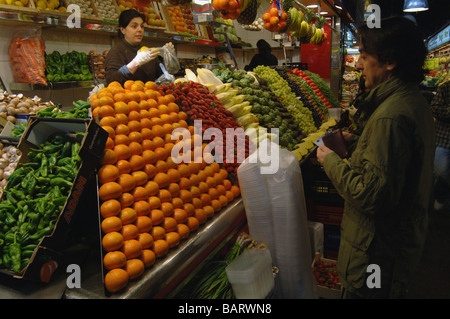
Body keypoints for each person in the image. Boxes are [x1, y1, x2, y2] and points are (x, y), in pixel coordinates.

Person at [316, 16, 436, 299]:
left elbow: (370, 196)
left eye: (365, 56)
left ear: (390, 62)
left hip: (376, 256)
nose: (358, 64)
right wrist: (357, 141)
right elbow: (396, 163)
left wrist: (328, 160)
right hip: (393, 248)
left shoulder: (390, 117)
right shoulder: (410, 101)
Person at [105, 9, 162, 85]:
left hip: (149, 95)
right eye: (134, 26)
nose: (140, 30)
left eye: (142, 26)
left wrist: (170, 60)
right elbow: (112, 80)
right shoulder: (116, 52)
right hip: (127, 96)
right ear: (123, 30)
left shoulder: (147, 52)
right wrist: (135, 63)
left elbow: (163, 76)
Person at [430, 80, 450, 211]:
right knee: (440, 170)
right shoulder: (446, 88)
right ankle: (440, 196)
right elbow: (435, 108)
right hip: (444, 139)